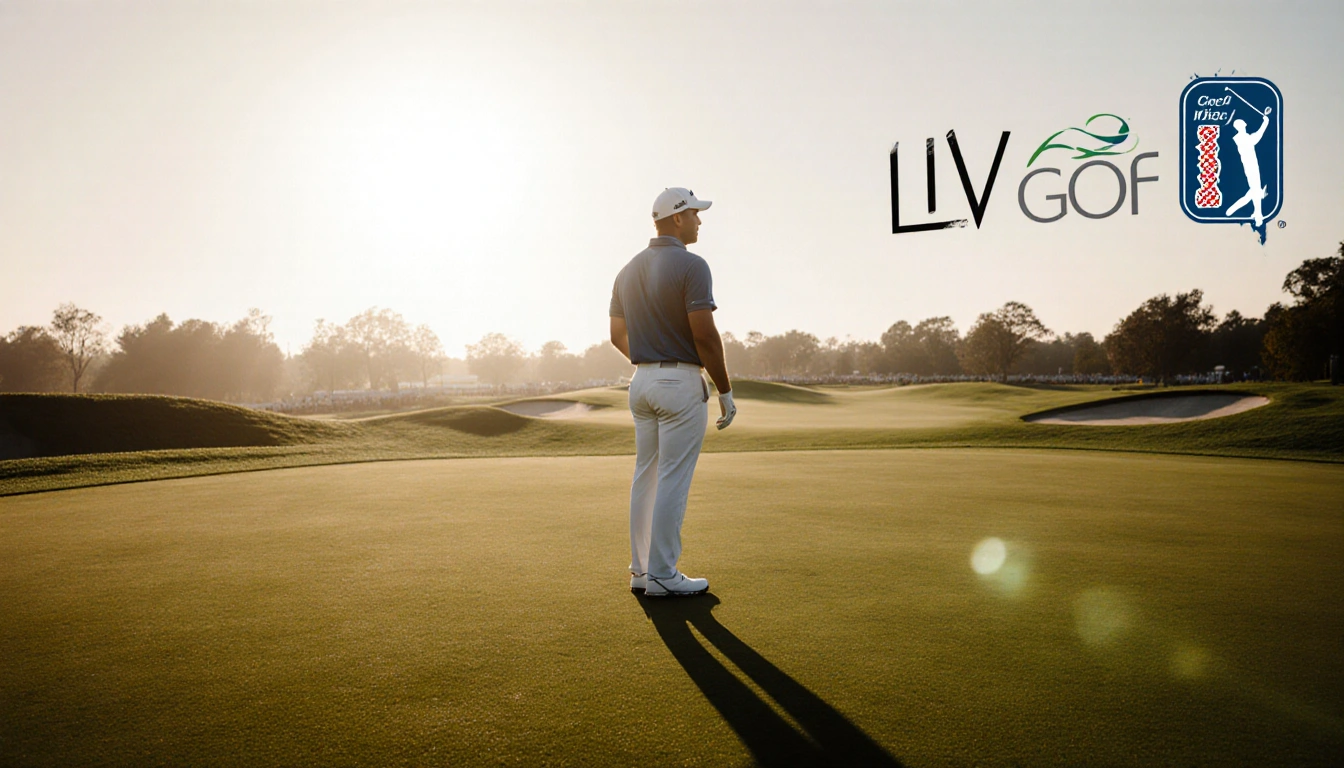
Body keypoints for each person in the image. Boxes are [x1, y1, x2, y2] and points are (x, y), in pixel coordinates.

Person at [609, 187, 737, 598]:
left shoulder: (626, 270)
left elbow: (616, 336)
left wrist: (649, 359)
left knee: (645, 474)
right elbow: (705, 334)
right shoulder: (693, 265)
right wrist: (725, 390)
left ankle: (642, 572)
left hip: (640, 382)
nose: (701, 221)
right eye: (696, 214)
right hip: (678, 383)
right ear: (678, 218)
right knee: (672, 478)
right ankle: (664, 573)